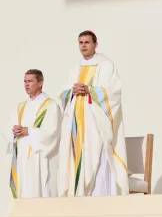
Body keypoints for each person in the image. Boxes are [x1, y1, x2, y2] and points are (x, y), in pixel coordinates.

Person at [56, 30, 129, 196]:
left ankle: (101, 197)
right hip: (77, 125)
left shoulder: (106, 65)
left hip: (96, 125)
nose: (83, 46)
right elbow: (63, 93)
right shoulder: (76, 68)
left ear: (95, 44)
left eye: (87, 42)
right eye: (80, 43)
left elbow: (114, 93)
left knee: (98, 158)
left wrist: (89, 90)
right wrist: (72, 92)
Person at [4, 70, 61, 198]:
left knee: (38, 191)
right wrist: (14, 131)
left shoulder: (50, 105)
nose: (26, 84)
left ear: (40, 83)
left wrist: (28, 131)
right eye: (25, 81)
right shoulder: (21, 106)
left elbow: (52, 132)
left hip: (39, 157)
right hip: (21, 158)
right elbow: (9, 128)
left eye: (30, 81)